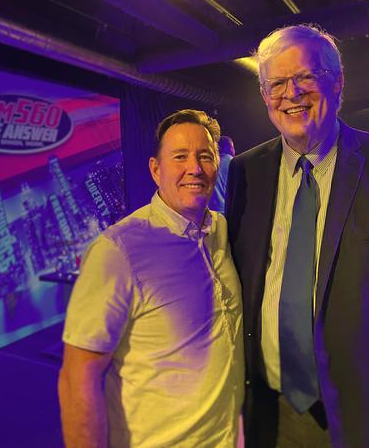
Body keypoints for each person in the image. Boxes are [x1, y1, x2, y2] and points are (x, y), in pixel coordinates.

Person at [225, 24, 369, 448]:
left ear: (338, 82)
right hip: (272, 412)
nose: (292, 93)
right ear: (265, 96)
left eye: (306, 77)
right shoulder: (246, 172)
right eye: (278, 83)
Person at [58, 109, 244, 448]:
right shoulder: (119, 250)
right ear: (155, 170)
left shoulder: (221, 230)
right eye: (180, 157)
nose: (195, 168)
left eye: (205, 156)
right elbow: (77, 378)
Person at [209, 135, 235, 213]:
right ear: (230, 148)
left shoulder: (212, 163)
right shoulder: (233, 162)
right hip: (226, 210)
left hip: (211, 210)